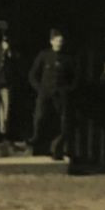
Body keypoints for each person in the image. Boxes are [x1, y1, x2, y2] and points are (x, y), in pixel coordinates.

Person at [28, 28, 78, 161]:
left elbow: (74, 78)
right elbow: (33, 75)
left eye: (61, 41)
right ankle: (36, 140)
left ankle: (56, 150)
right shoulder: (43, 55)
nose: (59, 44)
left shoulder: (67, 59)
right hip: (45, 93)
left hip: (60, 95)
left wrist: (67, 90)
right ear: (51, 42)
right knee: (40, 117)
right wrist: (39, 89)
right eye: (56, 41)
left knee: (62, 124)